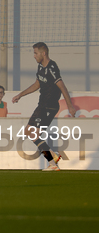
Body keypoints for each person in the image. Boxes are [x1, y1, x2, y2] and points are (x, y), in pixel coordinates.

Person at [12, 42, 76, 171]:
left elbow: (62, 87)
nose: (34, 56)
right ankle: (53, 156)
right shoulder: (41, 67)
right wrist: (21, 94)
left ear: (43, 53)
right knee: (29, 132)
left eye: (35, 53)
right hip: (42, 105)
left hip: (50, 106)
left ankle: (52, 163)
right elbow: (37, 84)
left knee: (33, 134)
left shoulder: (52, 68)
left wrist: (70, 106)